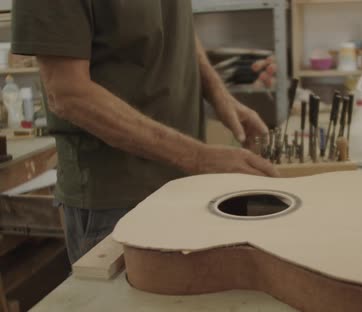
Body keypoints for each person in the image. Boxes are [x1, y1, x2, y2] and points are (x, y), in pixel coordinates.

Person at [11, 0, 279, 263]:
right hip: (118, 204)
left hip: (187, 185)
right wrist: (200, 157)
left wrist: (219, 95)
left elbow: (177, 28)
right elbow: (68, 93)